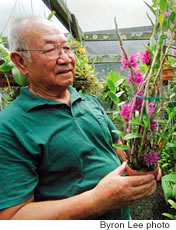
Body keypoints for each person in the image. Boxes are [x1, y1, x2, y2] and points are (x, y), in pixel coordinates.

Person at [0, 16, 161, 220]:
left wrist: (145, 163)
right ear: (21, 62)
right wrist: (96, 200)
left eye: (67, 48)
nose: (66, 59)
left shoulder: (89, 102)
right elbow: (11, 218)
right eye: (50, 50)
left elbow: (118, 148)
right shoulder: (9, 127)